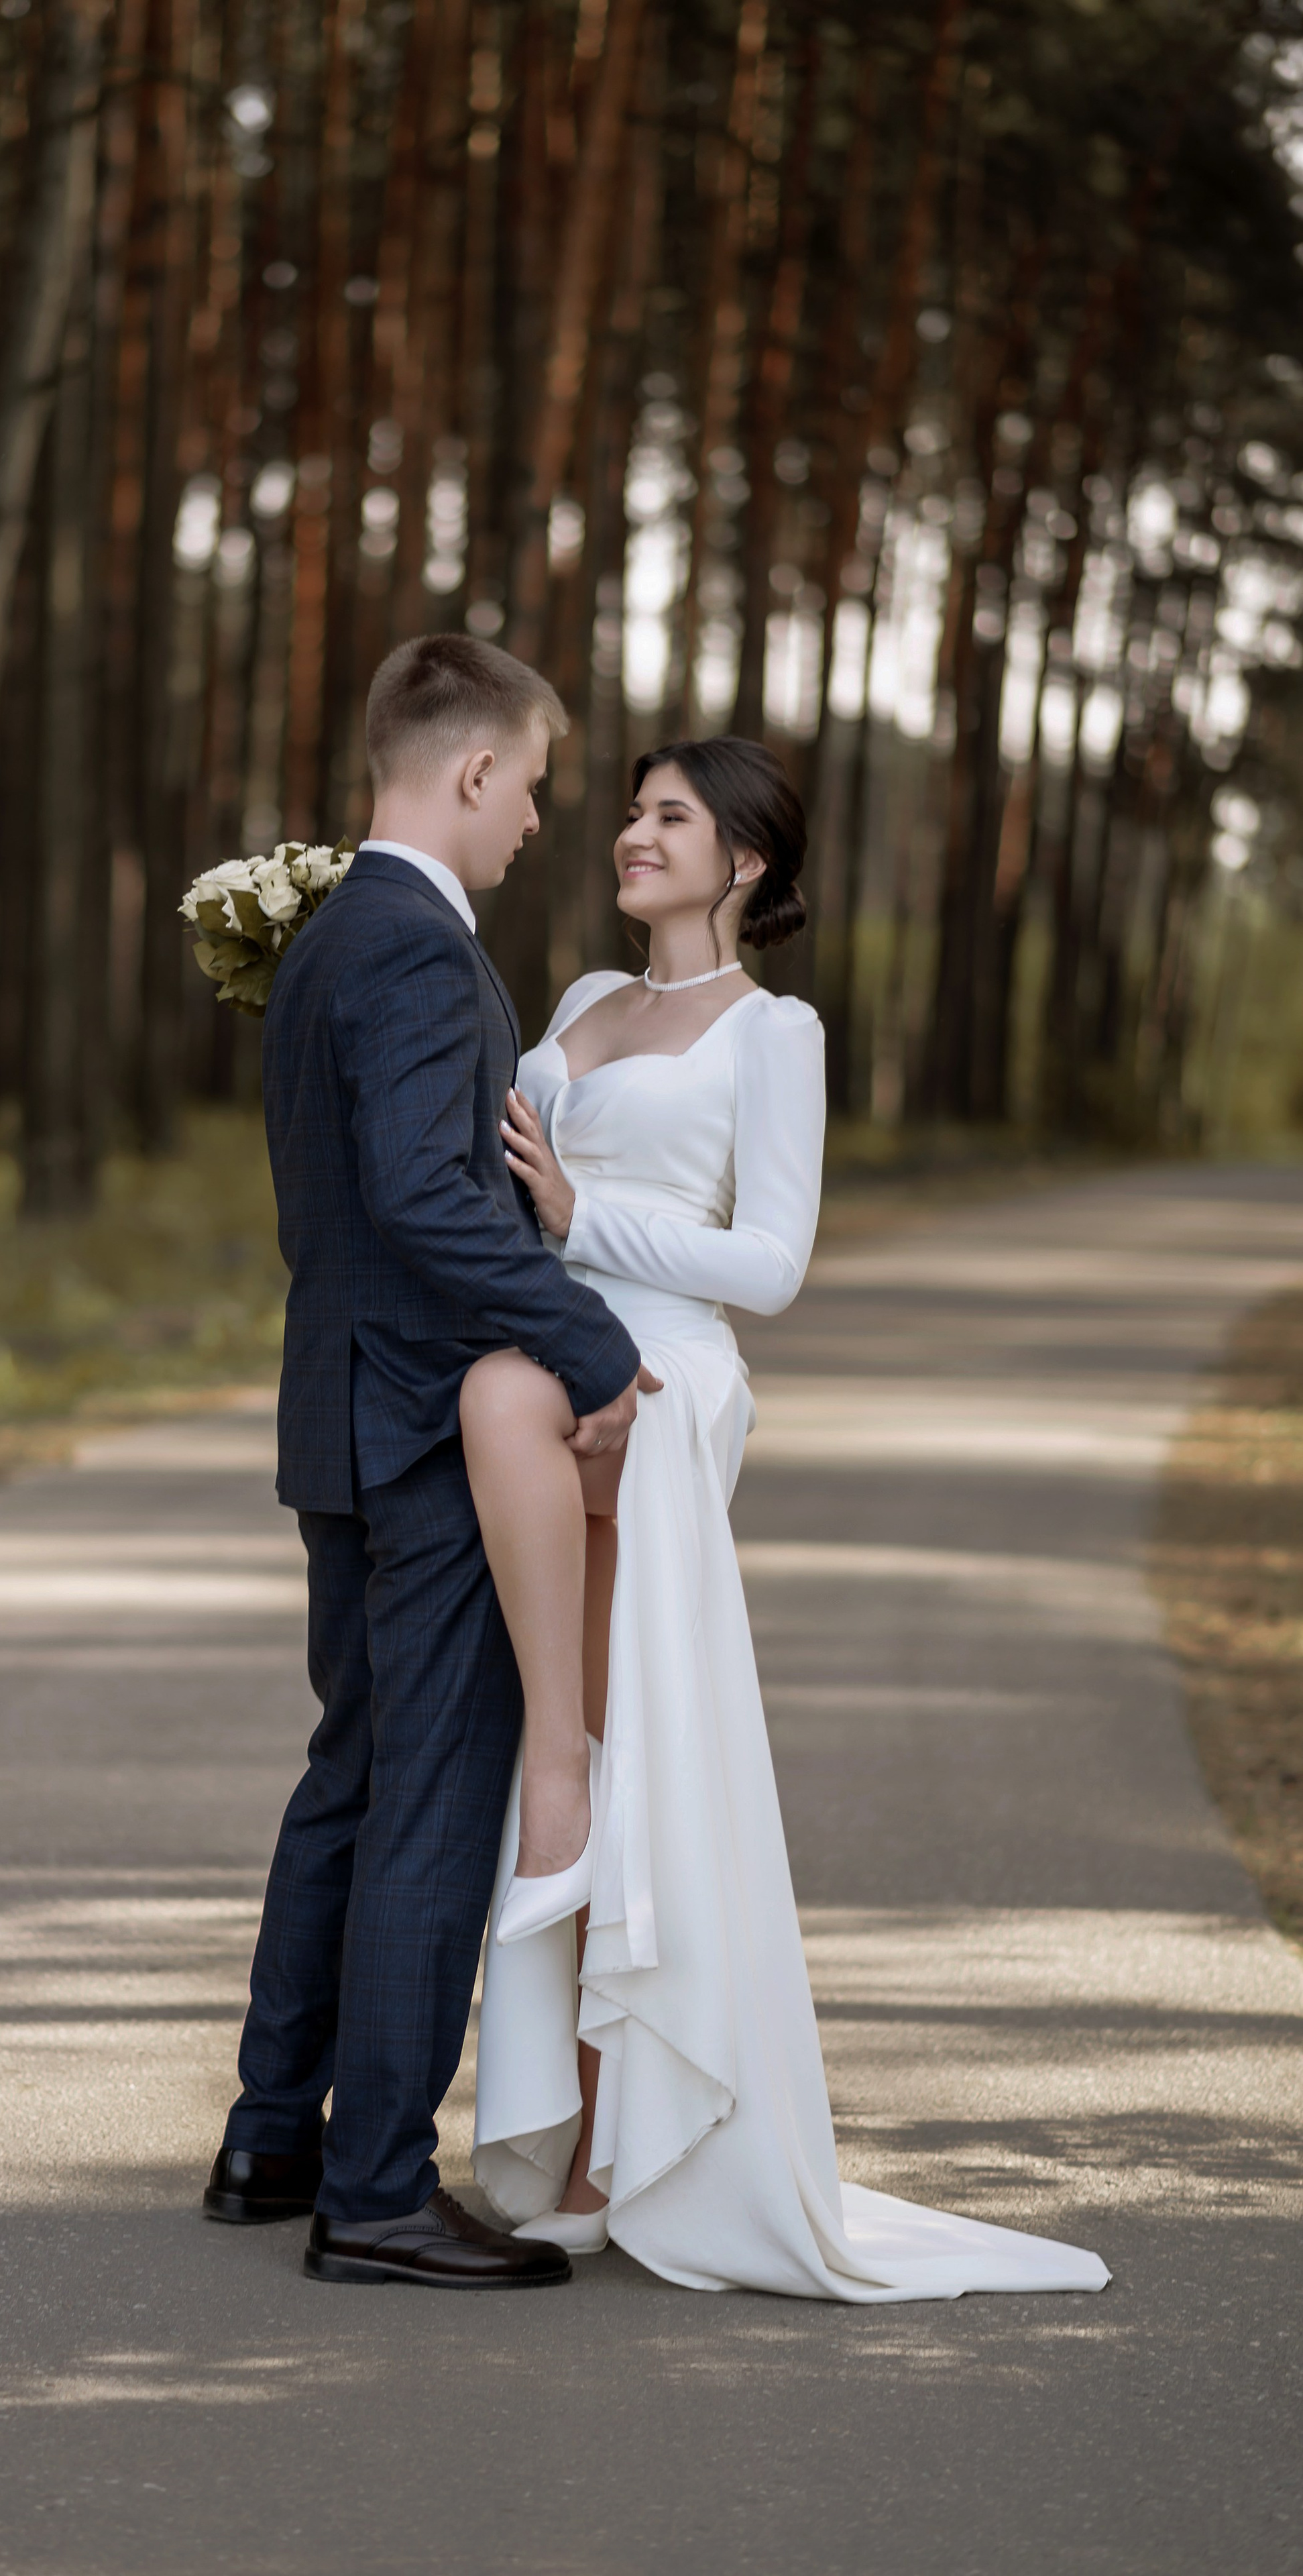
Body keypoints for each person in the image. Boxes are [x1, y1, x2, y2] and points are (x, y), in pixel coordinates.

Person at [464, 734, 1111, 2302]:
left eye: (665, 816)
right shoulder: (570, 1006)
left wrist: (579, 1212)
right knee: (594, 1717)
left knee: (627, 1712)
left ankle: (632, 2087)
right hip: (556, 1346)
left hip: (671, 1371)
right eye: (627, 810)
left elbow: (771, 1263)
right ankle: (580, 2134)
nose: (628, 833)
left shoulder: (776, 1034)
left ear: (742, 860)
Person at [203, 633, 657, 2290]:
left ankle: (276, 2138)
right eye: (530, 787)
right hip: (411, 1423)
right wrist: (594, 1346)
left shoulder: (333, 936)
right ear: (469, 774)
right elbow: (422, 1193)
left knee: (350, 1773)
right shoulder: (406, 946)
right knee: (431, 1796)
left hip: (338, 1408)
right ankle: (379, 2190)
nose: (538, 820)